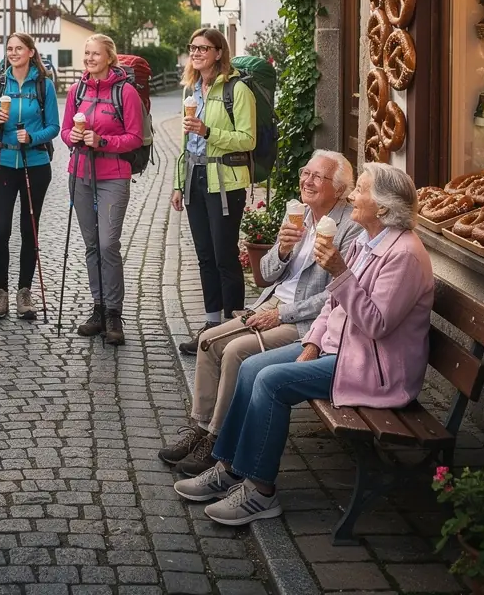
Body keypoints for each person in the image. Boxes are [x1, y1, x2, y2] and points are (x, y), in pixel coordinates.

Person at [174, 163, 434, 525]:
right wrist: (311, 343)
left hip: (376, 369)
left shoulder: (403, 254)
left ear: (384, 207)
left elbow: (376, 325)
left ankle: (260, 491)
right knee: (250, 367)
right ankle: (229, 468)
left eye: (361, 190)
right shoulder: (367, 240)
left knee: (270, 381)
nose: (353, 196)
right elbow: (331, 305)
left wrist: (340, 272)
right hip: (339, 349)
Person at [159, 151, 363, 475]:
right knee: (208, 341)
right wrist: (282, 249)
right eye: (305, 172)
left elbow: (335, 294)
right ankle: (201, 427)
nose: (307, 181)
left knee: (235, 351)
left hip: (306, 319)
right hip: (272, 303)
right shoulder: (300, 213)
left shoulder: (350, 227)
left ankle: (217, 440)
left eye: (317, 177)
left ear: (338, 189)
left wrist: (283, 314)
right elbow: (265, 275)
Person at [172, 28, 256, 345]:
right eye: (193, 47)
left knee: (225, 256)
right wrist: (178, 184)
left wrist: (208, 131)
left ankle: (232, 330)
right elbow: (185, 144)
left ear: (219, 53)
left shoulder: (237, 90)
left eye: (203, 48)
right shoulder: (191, 90)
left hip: (225, 181)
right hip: (195, 178)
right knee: (205, 256)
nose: (196, 53)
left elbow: (248, 139)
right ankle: (210, 325)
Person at [60, 33, 144, 345]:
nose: (90, 59)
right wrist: (73, 137)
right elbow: (64, 130)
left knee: (108, 244)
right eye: (87, 53)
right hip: (80, 173)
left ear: (109, 57)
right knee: (92, 245)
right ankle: (98, 309)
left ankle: (113, 313)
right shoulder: (77, 90)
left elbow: (135, 137)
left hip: (113, 175)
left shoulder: (126, 92)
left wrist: (102, 141)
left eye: (96, 54)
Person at [0, 33, 60, 320]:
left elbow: (54, 127)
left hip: (35, 163)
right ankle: (0, 292)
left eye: (19, 48)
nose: (13, 53)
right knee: (0, 230)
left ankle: (24, 292)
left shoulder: (44, 85)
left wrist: (32, 137)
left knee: (30, 230)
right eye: (10, 49)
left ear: (31, 52)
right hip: (2, 162)